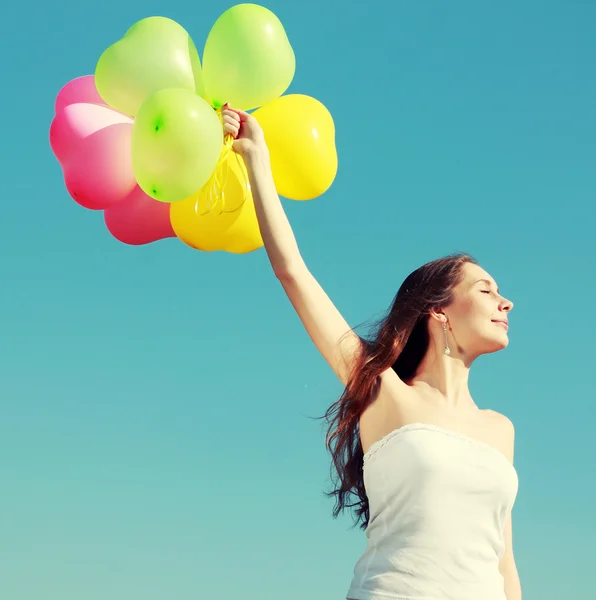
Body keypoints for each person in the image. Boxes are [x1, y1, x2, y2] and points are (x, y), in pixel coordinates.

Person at [221, 106, 522, 600]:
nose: (505, 301)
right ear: (439, 312)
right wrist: (257, 159)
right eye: (486, 290)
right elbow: (292, 271)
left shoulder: (501, 430)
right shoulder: (381, 389)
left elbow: (503, 563)